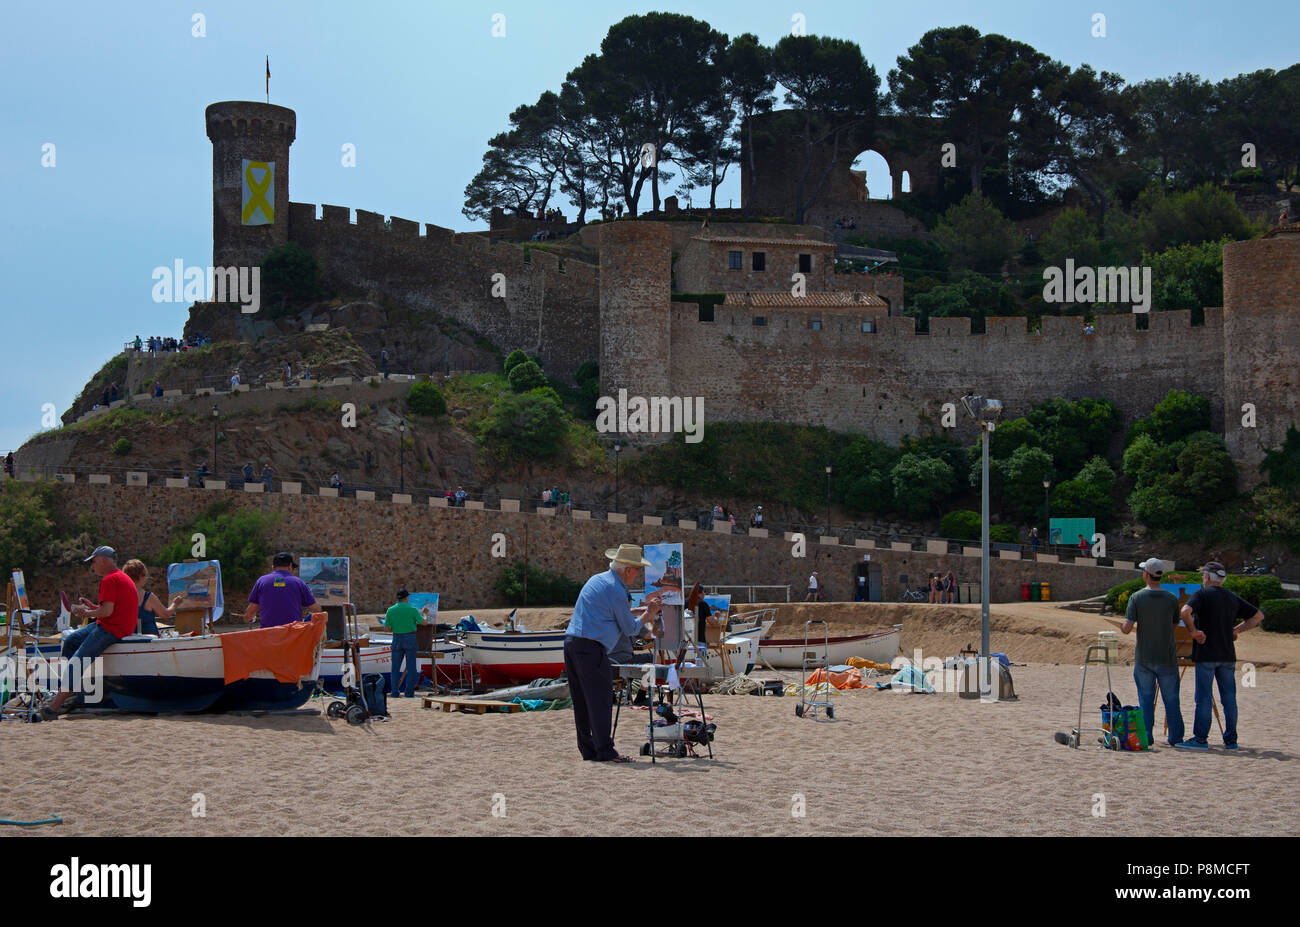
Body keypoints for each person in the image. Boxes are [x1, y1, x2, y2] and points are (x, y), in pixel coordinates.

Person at [564, 545, 663, 763]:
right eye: (637, 569)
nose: (638, 574)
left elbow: (610, 612)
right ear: (628, 570)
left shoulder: (598, 580)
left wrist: (637, 611)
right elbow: (630, 629)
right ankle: (605, 751)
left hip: (572, 643)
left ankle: (588, 750)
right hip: (591, 648)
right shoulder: (617, 590)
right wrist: (649, 613)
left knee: (582, 700)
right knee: (600, 700)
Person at [40, 546, 138, 719]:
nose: (92, 566)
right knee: (71, 640)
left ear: (103, 560)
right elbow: (112, 609)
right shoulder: (121, 577)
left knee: (77, 661)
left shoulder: (109, 580)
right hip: (116, 625)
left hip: (111, 628)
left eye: (93, 561)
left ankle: (54, 708)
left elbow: (106, 612)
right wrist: (93, 608)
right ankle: (72, 692)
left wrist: (86, 613)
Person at [1177, 561, 1265, 750]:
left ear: (1208, 577)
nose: (1203, 578)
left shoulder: (1202, 594)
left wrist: (1193, 631)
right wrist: (1236, 630)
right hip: (1227, 655)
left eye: (1203, 575)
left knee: (1204, 698)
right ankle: (1231, 740)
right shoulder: (1231, 597)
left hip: (1206, 653)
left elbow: (1185, 612)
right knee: (1229, 699)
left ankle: (1200, 739)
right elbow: (1258, 616)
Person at [1120, 558, 1185, 747]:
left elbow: (1127, 628)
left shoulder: (1137, 597)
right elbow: (1174, 625)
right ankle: (1176, 737)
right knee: (1172, 699)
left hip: (1145, 656)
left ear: (1146, 575)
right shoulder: (1171, 598)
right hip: (1167, 656)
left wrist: (1124, 627)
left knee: (1146, 699)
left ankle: (1146, 736)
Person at [245, 553, 317, 629]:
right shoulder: (299, 582)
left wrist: (247, 618)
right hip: (293, 632)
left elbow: (250, 612)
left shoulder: (262, 581)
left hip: (268, 632)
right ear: (290, 566)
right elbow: (316, 609)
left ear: (273, 567)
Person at [122, 559, 185, 636]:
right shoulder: (148, 597)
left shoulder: (120, 596)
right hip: (150, 638)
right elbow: (165, 614)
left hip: (129, 637)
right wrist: (175, 603)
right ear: (141, 576)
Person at [383, 588, 425, 698]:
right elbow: (424, 623)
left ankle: (395, 692)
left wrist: (396, 628)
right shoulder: (412, 609)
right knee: (411, 667)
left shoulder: (390, 610)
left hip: (396, 638)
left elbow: (386, 628)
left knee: (395, 668)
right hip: (410, 638)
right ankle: (409, 693)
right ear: (407, 598)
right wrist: (425, 613)